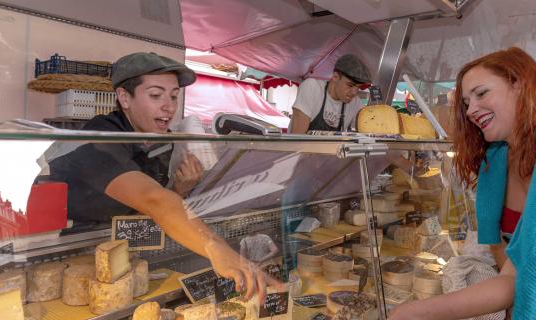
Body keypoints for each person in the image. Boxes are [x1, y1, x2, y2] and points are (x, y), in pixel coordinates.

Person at [389, 47, 536, 319]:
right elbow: (512, 271)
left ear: (520, 84)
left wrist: (414, 312)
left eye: (481, 93)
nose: (471, 111)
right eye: (467, 102)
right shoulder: (497, 159)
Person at [48, 52, 276, 301]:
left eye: (174, 96)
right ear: (124, 97)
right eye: (156, 95)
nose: (169, 106)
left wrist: (179, 188)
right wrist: (215, 247)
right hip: (72, 253)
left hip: (125, 247)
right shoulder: (101, 138)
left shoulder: (159, 141)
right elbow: (152, 199)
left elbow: (149, 212)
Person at [289, 54, 371, 133]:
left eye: (358, 87)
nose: (354, 92)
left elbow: (369, 129)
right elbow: (297, 137)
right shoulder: (312, 88)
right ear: (335, 77)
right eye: (350, 85)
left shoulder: (355, 103)